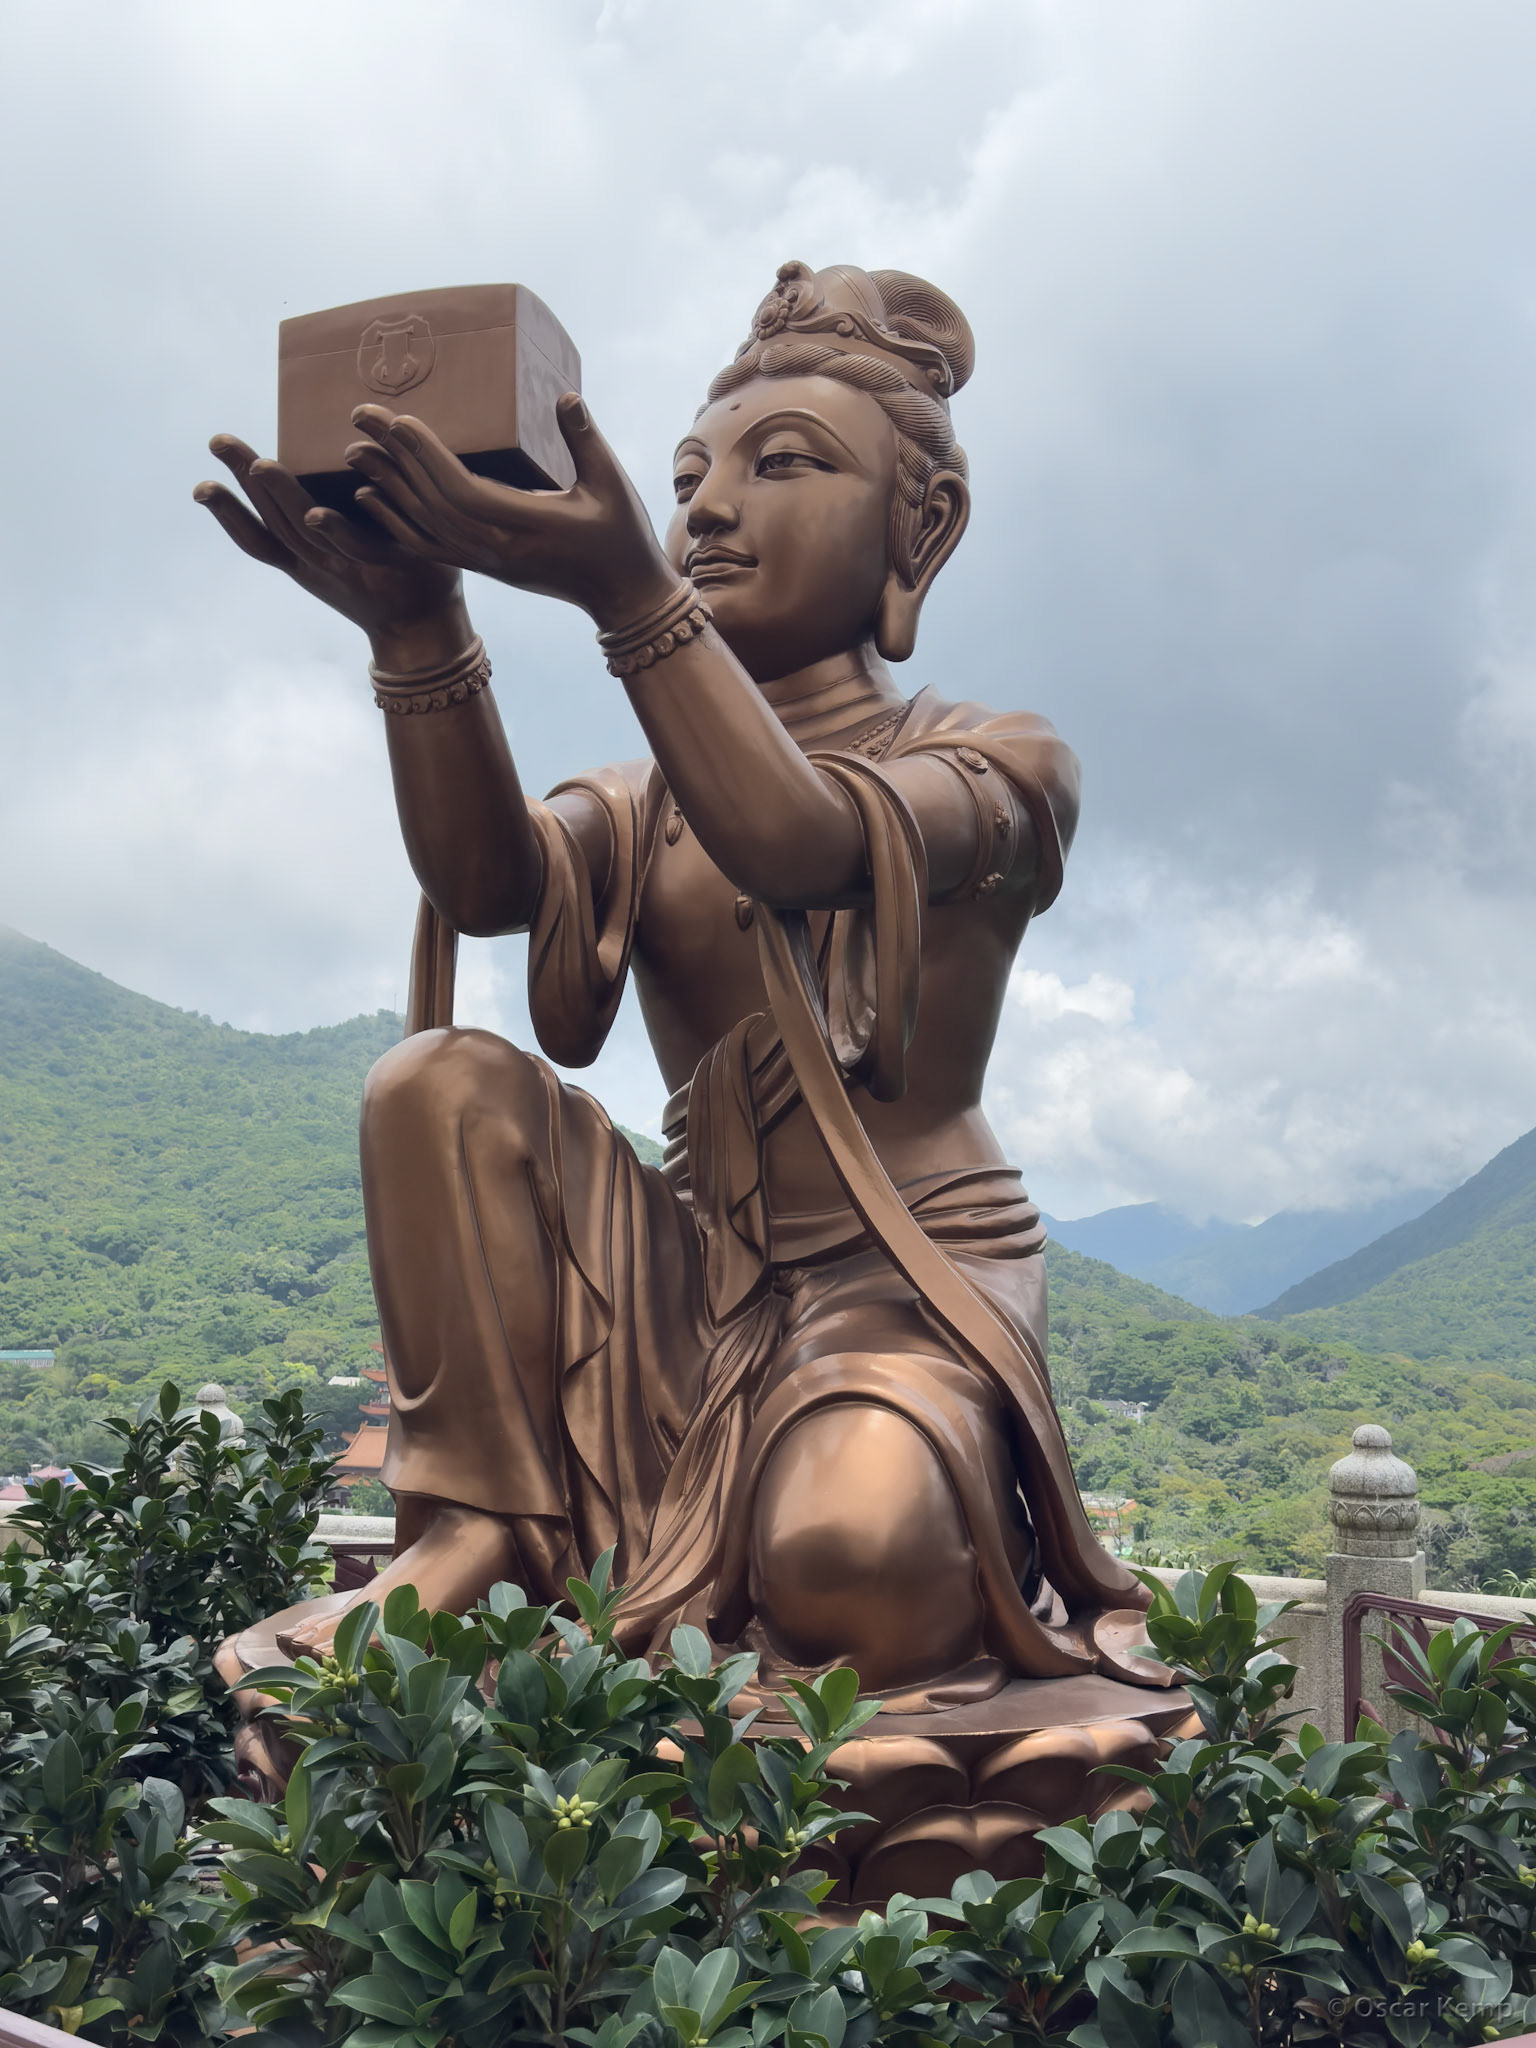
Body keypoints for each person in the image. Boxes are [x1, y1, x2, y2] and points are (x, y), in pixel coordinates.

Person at [200, 261, 1156, 1709]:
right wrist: (420, 632)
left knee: (855, 1561)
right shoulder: (639, 799)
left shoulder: (997, 761)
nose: (709, 508)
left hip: (897, 1285)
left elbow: (797, 840)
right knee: (437, 1085)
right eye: (691, 474)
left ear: (923, 529)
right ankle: (478, 1531)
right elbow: (488, 886)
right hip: (683, 1285)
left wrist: (627, 591)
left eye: (785, 466)